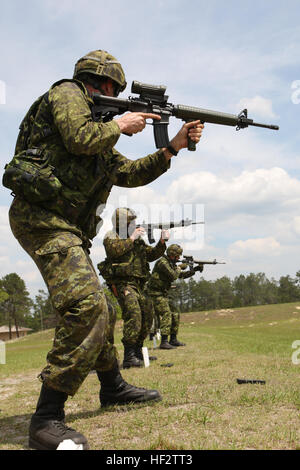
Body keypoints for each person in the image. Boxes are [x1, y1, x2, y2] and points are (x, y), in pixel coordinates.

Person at [3, 49, 204, 450]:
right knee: (87, 305)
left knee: (105, 307)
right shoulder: (67, 93)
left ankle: (111, 386)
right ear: (97, 83)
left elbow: (127, 172)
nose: (113, 95)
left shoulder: (101, 131)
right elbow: (79, 137)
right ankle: (46, 418)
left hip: (68, 229)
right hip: (40, 219)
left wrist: (172, 147)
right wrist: (121, 123)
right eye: (110, 88)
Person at [98, 207, 169, 368]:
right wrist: (132, 237)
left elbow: (150, 255)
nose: (134, 223)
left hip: (139, 284)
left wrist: (162, 242)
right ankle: (129, 356)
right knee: (134, 314)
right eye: (130, 221)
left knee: (147, 315)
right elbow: (114, 251)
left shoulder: (136, 240)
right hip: (123, 283)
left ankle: (138, 351)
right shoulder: (111, 236)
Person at [146, 244, 203, 349]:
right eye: (177, 256)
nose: (178, 258)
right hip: (154, 293)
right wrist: (179, 268)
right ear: (171, 254)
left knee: (175, 313)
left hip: (163, 294)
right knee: (166, 313)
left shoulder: (171, 264)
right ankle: (164, 342)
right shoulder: (162, 262)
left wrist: (194, 270)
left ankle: (173, 339)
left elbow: (181, 276)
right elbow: (173, 275)